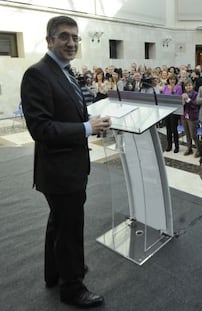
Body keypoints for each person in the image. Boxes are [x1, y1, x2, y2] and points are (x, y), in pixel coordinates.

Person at [20, 15, 108, 308]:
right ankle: (72, 288)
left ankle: (54, 272)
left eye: (75, 38)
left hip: (70, 167)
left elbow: (68, 112)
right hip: (59, 171)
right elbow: (41, 129)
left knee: (59, 222)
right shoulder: (38, 74)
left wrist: (91, 120)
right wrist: (87, 128)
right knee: (70, 228)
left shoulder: (66, 72)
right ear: (49, 40)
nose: (72, 43)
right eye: (65, 37)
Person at [162, 73, 182, 153]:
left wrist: (173, 90)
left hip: (175, 111)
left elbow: (178, 98)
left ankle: (177, 146)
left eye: (173, 79)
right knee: (168, 129)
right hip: (167, 110)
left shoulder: (179, 87)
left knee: (174, 129)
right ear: (168, 80)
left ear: (176, 80)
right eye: (170, 79)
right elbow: (163, 97)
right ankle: (169, 145)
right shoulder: (165, 87)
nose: (172, 81)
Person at [181, 79, 200, 157]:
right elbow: (181, 106)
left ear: (192, 86)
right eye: (186, 85)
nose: (188, 87)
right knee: (187, 134)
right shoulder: (183, 94)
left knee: (193, 135)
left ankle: (199, 149)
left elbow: (195, 105)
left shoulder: (196, 94)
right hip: (184, 116)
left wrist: (188, 100)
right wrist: (183, 101)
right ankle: (189, 148)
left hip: (193, 116)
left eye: (190, 85)